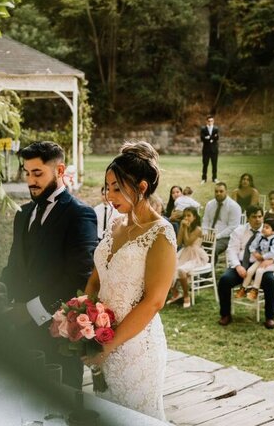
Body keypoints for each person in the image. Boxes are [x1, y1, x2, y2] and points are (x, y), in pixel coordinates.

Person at [82, 141, 176, 420]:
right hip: (100, 340)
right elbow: (96, 279)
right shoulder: (115, 224)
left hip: (136, 350)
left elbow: (154, 302)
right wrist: (81, 318)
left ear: (142, 187)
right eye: (107, 187)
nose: (110, 195)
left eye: (117, 188)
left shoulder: (161, 233)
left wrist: (108, 347)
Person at [0, 141, 98, 389]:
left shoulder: (80, 214)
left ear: (60, 170)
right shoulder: (23, 214)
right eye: (27, 173)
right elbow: (15, 264)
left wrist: (30, 311)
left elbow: (78, 278)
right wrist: (0, 290)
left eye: (38, 173)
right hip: (19, 334)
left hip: (57, 333)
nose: (30, 180)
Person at [217, 206, 274, 329]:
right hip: (241, 264)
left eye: (260, 216)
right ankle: (225, 314)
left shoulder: (269, 231)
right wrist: (238, 266)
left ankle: (270, 317)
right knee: (224, 280)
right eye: (254, 217)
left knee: (270, 282)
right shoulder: (239, 231)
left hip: (260, 265)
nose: (257, 220)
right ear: (248, 218)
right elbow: (232, 250)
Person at [234, 218, 274, 301]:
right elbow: (251, 246)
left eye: (267, 228)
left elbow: (273, 253)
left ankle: (254, 290)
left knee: (259, 271)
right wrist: (255, 253)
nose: (263, 229)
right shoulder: (260, 236)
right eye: (264, 226)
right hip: (261, 258)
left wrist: (264, 257)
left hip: (271, 261)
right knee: (250, 271)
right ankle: (243, 288)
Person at [167, 207, 206, 309]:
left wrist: (184, 229)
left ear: (195, 217)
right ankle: (175, 294)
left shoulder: (198, 229)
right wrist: (182, 228)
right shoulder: (184, 226)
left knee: (181, 270)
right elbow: (179, 242)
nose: (186, 218)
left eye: (189, 215)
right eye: (184, 216)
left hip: (195, 255)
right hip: (185, 253)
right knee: (169, 267)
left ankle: (186, 296)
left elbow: (188, 242)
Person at [201, 182, 242, 257]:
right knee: (194, 246)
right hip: (208, 235)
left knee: (213, 250)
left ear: (226, 191)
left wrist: (217, 236)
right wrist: (205, 233)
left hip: (225, 237)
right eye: (216, 191)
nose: (218, 193)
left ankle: (210, 268)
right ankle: (196, 267)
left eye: (221, 191)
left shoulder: (234, 206)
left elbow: (233, 227)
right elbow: (205, 221)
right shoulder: (210, 204)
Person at [200, 115, 219, 184]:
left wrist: (208, 137)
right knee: (205, 164)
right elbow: (202, 138)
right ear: (206, 121)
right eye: (209, 121)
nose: (210, 122)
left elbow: (217, 138)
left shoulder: (216, 129)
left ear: (213, 121)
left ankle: (215, 178)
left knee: (214, 165)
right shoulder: (203, 129)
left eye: (212, 121)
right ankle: (203, 179)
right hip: (206, 150)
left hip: (214, 150)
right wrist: (212, 138)